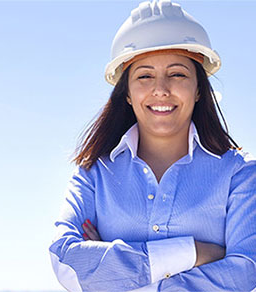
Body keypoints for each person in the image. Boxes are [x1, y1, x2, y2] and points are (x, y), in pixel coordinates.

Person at [48, 0, 256, 291]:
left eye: (177, 74)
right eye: (144, 75)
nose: (161, 89)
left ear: (198, 90)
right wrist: (195, 253)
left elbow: (245, 271)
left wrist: (114, 273)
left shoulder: (240, 175)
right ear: (128, 94)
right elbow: (66, 261)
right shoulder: (94, 174)